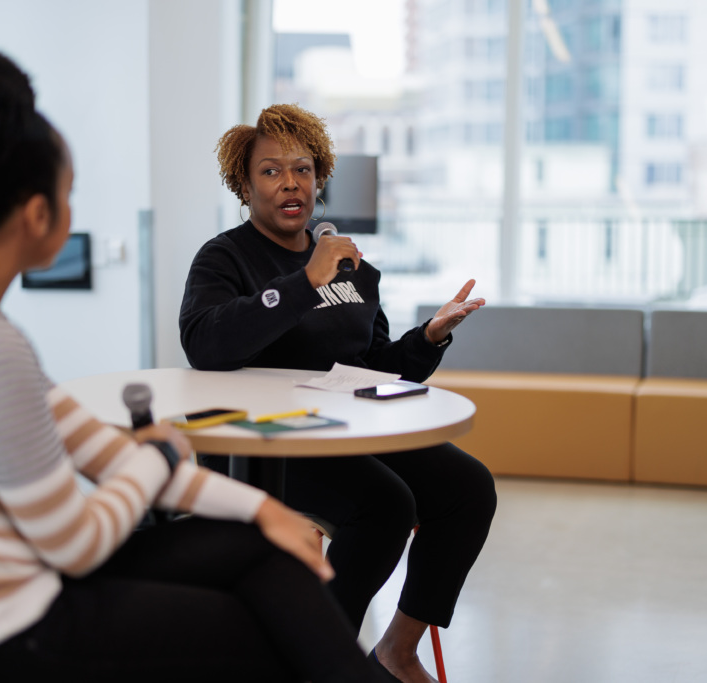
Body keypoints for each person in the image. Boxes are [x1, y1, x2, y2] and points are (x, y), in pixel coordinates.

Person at [0, 52, 385, 683]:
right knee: (252, 631)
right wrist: (156, 459)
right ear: (37, 215)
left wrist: (260, 510)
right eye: (70, 192)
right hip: (1, 633)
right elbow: (76, 543)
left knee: (266, 551)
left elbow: (96, 450)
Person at [180, 104, 498, 683]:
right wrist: (303, 282)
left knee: (468, 487)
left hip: (356, 432)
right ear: (244, 185)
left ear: (319, 177)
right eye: (271, 171)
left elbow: (375, 365)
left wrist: (427, 338)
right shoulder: (224, 258)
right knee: (386, 505)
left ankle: (395, 653)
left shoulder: (354, 267)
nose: (290, 183)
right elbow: (206, 345)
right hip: (272, 445)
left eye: (302, 169)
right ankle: (318, 660)